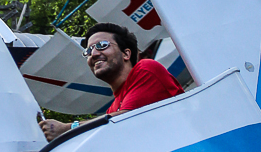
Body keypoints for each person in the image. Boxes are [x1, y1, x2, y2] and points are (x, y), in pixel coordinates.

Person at [39, 23, 184, 142]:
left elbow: (126, 120)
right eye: (88, 51)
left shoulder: (147, 68)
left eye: (102, 45)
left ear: (126, 54)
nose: (94, 54)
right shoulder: (113, 110)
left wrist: (68, 129)